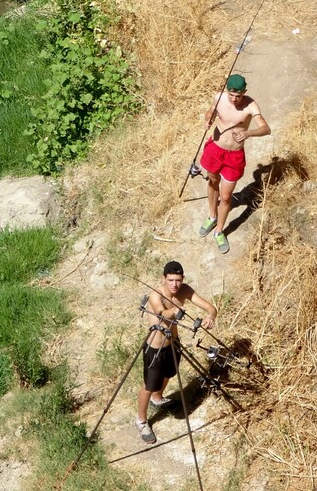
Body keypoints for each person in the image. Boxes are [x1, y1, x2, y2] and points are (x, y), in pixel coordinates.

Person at [135, 261, 217, 444]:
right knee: (149, 385)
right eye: (171, 280)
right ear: (163, 278)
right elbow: (161, 313)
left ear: (182, 279)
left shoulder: (185, 290)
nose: (174, 285)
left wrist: (210, 316)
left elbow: (210, 307)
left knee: (169, 374)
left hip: (173, 344)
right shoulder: (155, 295)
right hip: (155, 348)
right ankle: (141, 420)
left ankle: (158, 399)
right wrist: (175, 310)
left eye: (178, 280)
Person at [198, 74, 271, 254]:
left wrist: (249, 133)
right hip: (215, 149)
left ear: (244, 92)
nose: (234, 99)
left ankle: (219, 230)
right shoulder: (219, 98)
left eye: (238, 95)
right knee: (212, 182)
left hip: (234, 157)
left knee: (226, 197)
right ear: (227, 90)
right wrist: (208, 118)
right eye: (231, 94)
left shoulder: (250, 105)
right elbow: (211, 111)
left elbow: (266, 128)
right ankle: (212, 216)